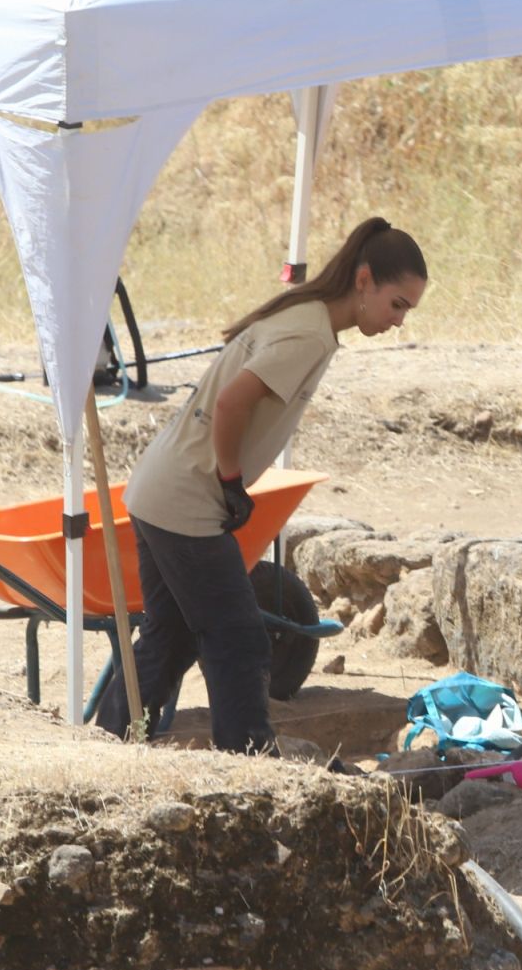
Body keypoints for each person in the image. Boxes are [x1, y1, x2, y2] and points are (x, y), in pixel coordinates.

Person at [97, 217, 427, 751]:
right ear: (364, 280)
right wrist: (230, 481)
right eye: (398, 304)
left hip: (160, 486)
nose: (398, 321)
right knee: (241, 639)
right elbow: (232, 403)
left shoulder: (307, 318)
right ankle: (247, 759)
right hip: (186, 497)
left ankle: (109, 743)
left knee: (172, 633)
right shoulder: (308, 332)